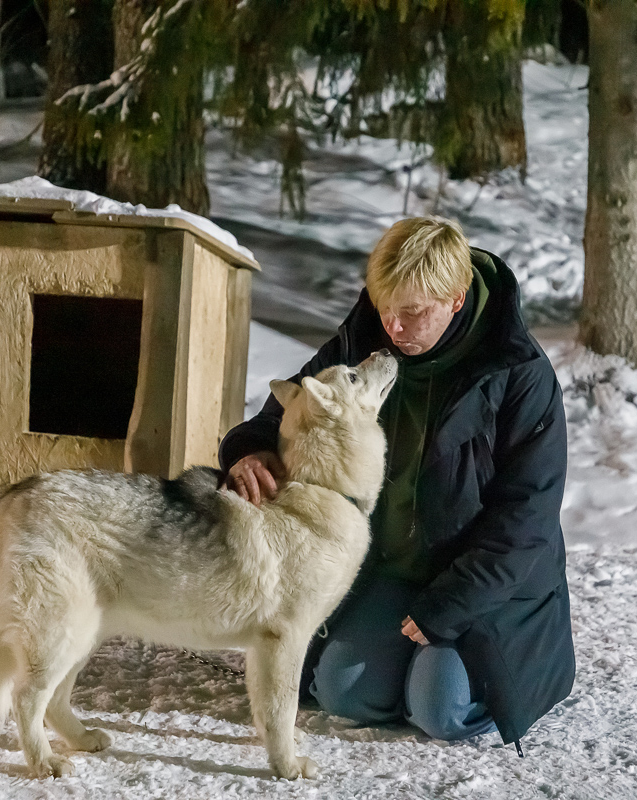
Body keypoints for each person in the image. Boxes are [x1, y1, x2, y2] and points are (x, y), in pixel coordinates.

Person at [219, 217, 574, 753]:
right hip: (394, 568)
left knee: (440, 710)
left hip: (485, 584)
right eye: (385, 308)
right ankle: (408, 668)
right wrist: (247, 450)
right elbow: (291, 408)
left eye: (412, 312)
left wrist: (449, 605)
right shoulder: (365, 339)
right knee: (343, 693)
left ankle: (485, 679)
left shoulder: (519, 372)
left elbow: (527, 519)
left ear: (456, 300)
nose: (394, 328)